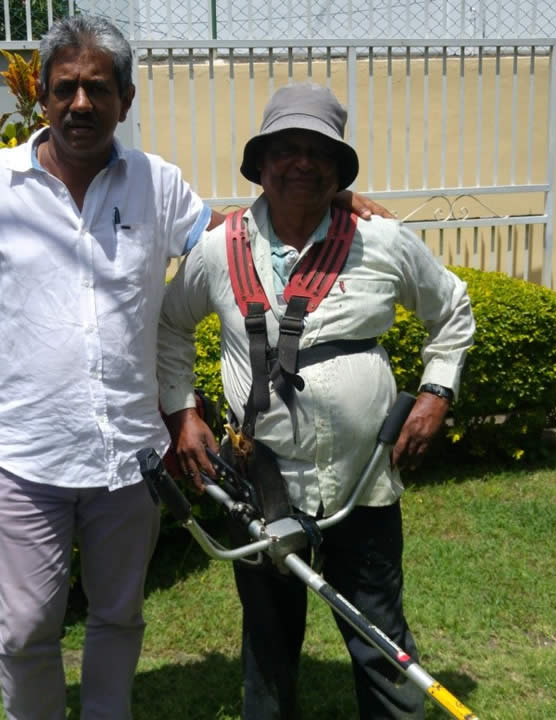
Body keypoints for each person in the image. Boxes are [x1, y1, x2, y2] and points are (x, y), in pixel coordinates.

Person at [0, 16, 390, 719]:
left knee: (118, 615)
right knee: (28, 627)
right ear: (41, 96)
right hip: (25, 457)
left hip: (131, 460)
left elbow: (229, 235)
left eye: (97, 89)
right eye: (65, 88)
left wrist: (314, 194)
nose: (80, 104)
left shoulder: (155, 185)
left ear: (124, 100)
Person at [157, 82, 476, 720]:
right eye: (286, 150)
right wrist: (183, 413)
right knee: (270, 646)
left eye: (318, 152)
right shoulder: (220, 251)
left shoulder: (380, 242)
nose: (302, 162)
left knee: (377, 631)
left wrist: (438, 391)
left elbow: (453, 311)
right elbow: (169, 327)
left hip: (363, 483)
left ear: (338, 169)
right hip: (261, 482)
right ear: (262, 164)